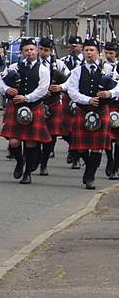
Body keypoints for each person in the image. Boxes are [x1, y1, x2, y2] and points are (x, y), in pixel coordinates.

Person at [63, 39, 119, 189]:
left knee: (97, 147)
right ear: (83, 52)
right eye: (86, 50)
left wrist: (110, 93)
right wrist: (88, 100)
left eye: (92, 50)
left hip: (102, 111)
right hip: (84, 110)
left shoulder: (109, 69)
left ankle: (90, 177)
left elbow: (118, 86)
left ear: (98, 52)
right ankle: (90, 167)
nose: (89, 53)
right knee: (80, 147)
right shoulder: (77, 71)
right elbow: (72, 91)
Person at [0, 38, 51, 185]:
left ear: (37, 51)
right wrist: (7, 89)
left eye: (32, 49)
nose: (29, 52)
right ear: (21, 52)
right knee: (14, 142)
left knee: (31, 143)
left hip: (33, 107)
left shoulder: (43, 69)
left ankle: (27, 173)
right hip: (16, 107)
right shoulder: (14, 67)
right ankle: (20, 162)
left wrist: (26, 98)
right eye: (26, 50)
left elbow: (43, 89)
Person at [37, 37, 70, 176]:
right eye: (41, 49)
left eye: (46, 50)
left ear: (51, 51)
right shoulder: (31, 63)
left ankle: (44, 163)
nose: (43, 53)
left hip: (53, 103)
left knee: (52, 136)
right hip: (37, 102)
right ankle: (34, 157)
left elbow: (70, 82)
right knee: (35, 135)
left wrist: (60, 87)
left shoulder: (59, 65)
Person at [62, 36, 84, 167]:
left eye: (76, 44)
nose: (73, 47)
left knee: (78, 128)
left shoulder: (87, 62)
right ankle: (72, 146)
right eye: (71, 45)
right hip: (67, 96)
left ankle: (75, 156)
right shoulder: (62, 61)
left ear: (82, 47)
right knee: (65, 130)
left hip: (84, 97)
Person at [103, 41, 119, 180]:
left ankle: (115, 169)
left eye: (111, 53)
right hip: (107, 104)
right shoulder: (102, 67)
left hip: (118, 104)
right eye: (107, 53)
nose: (108, 55)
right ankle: (110, 160)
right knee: (107, 138)